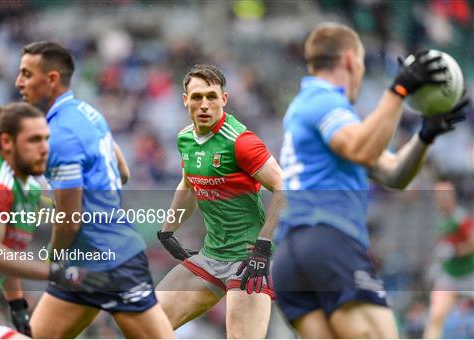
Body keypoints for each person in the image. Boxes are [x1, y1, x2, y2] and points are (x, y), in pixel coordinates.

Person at [272, 22, 470, 338]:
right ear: (351, 60)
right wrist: (398, 90)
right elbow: (361, 147)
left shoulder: (314, 109)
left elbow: (393, 173)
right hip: (329, 241)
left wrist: (425, 135)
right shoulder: (324, 100)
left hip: (293, 255)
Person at [15, 41, 174, 338]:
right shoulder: (87, 112)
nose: (18, 82)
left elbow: (70, 219)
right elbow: (122, 173)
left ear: (51, 79)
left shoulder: (60, 136)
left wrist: (52, 259)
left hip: (112, 263)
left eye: (26, 74)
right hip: (84, 263)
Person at [0, 103, 109, 338]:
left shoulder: (28, 191)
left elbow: (6, 254)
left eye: (46, 139)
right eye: (34, 140)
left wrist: (17, 306)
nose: (44, 149)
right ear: (7, 142)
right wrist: (55, 272)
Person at [155, 64, 283, 338]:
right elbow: (189, 185)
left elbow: (285, 188)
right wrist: (167, 231)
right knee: (145, 326)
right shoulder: (185, 138)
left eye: (212, 97)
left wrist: (263, 247)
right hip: (211, 255)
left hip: (249, 261)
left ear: (224, 99)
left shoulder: (240, 141)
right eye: (197, 96)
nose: (204, 104)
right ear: (185, 99)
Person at [424, 180, 474, 338]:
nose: (442, 198)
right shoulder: (440, 218)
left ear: (453, 196)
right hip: (449, 276)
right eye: (439, 194)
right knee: (436, 316)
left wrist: (455, 251)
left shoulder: (460, 218)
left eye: (446, 194)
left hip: (469, 275)